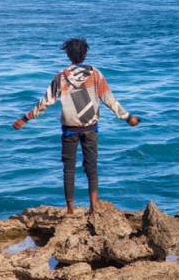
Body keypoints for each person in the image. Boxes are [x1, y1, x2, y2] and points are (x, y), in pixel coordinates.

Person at [12, 38, 140, 215]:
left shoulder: (61, 77)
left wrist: (25, 119)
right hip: (90, 128)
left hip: (69, 129)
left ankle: (70, 210)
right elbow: (109, 99)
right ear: (85, 54)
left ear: (68, 55)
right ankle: (94, 206)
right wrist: (127, 117)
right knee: (92, 167)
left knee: (69, 169)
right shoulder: (95, 74)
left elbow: (45, 102)